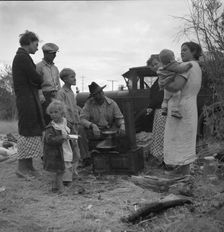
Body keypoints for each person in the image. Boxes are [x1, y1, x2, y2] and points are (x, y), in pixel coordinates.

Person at [163, 41, 202, 175]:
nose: (182, 52)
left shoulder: (186, 66)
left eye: (185, 50)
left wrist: (164, 84)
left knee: (178, 138)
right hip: (190, 106)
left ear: (194, 52)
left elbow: (175, 86)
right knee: (186, 139)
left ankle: (182, 175)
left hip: (181, 107)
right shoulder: (197, 67)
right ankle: (183, 171)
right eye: (181, 50)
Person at [12, 30, 45, 178]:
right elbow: (36, 78)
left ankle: (29, 166)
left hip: (28, 98)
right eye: (36, 45)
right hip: (26, 100)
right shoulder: (22, 58)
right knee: (27, 130)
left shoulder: (23, 57)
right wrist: (40, 77)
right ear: (29, 42)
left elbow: (34, 80)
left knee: (31, 128)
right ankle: (21, 168)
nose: (37, 48)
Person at [43, 100, 77, 192]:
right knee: (59, 170)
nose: (53, 115)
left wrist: (73, 136)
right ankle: (60, 187)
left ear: (62, 112)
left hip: (66, 149)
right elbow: (49, 140)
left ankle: (60, 184)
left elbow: (72, 131)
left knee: (67, 166)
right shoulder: (51, 127)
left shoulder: (67, 123)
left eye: (56, 112)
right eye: (51, 113)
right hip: (56, 152)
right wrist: (61, 138)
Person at [80, 82, 125, 151]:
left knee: (123, 134)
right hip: (95, 131)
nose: (100, 94)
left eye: (101, 92)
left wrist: (122, 124)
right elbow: (82, 119)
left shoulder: (112, 103)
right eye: (97, 93)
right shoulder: (89, 104)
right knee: (81, 130)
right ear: (93, 96)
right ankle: (87, 156)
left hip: (109, 130)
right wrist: (92, 125)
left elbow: (119, 118)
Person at [57, 68, 81, 177]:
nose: (74, 78)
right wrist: (68, 122)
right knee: (69, 147)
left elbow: (73, 107)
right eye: (72, 76)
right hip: (67, 125)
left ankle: (74, 170)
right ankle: (68, 171)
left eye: (74, 76)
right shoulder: (61, 93)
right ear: (65, 79)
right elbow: (62, 109)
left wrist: (79, 112)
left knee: (75, 145)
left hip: (74, 124)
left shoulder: (71, 92)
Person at [157, 49, 192, 119]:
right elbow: (180, 69)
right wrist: (188, 66)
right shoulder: (172, 65)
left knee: (165, 99)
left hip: (165, 87)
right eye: (173, 56)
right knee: (177, 94)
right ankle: (174, 110)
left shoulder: (162, 67)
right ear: (171, 59)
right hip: (171, 84)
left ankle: (164, 108)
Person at [146, 54, 166, 164]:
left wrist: (151, 105)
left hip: (164, 110)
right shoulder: (159, 77)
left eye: (156, 64)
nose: (154, 67)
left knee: (163, 135)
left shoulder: (166, 75)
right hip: (158, 110)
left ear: (162, 62)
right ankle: (159, 158)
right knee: (159, 134)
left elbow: (161, 94)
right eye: (152, 66)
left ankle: (163, 158)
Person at [36, 42, 61, 124]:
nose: (55, 56)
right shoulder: (39, 67)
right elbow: (36, 83)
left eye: (55, 54)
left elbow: (58, 83)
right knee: (47, 118)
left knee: (57, 119)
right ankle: (46, 135)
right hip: (45, 96)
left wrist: (59, 95)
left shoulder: (55, 68)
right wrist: (40, 95)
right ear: (45, 53)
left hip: (55, 96)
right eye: (52, 54)